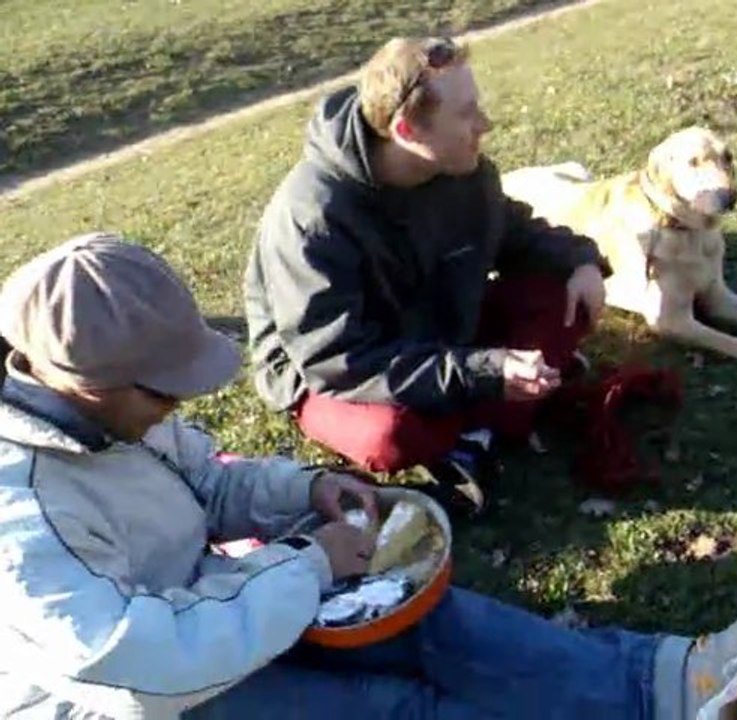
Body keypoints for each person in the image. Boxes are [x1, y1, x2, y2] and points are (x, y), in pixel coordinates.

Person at [0, 234, 737, 718]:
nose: (177, 403)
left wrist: (306, 495)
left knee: (429, 624)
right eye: (161, 389)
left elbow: (207, 482)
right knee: (393, 709)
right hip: (138, 702)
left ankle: (667, 687)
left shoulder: (115, 410)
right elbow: (143, 660)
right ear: (82, 383)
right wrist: (309, 565)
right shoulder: (21, 514)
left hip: (212, 608)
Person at [244, 36, 610, 514]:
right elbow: (340, 360)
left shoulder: (462, 168)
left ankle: (476, 428)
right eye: (466, 114)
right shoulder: (312, 219)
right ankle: (490, 419)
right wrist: (485, 370)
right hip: (345, 370)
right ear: (408, 131)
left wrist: (578, 259)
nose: (485, 124)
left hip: (441, 332)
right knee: (391, 437)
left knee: (566, 296)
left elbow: (512, 231)